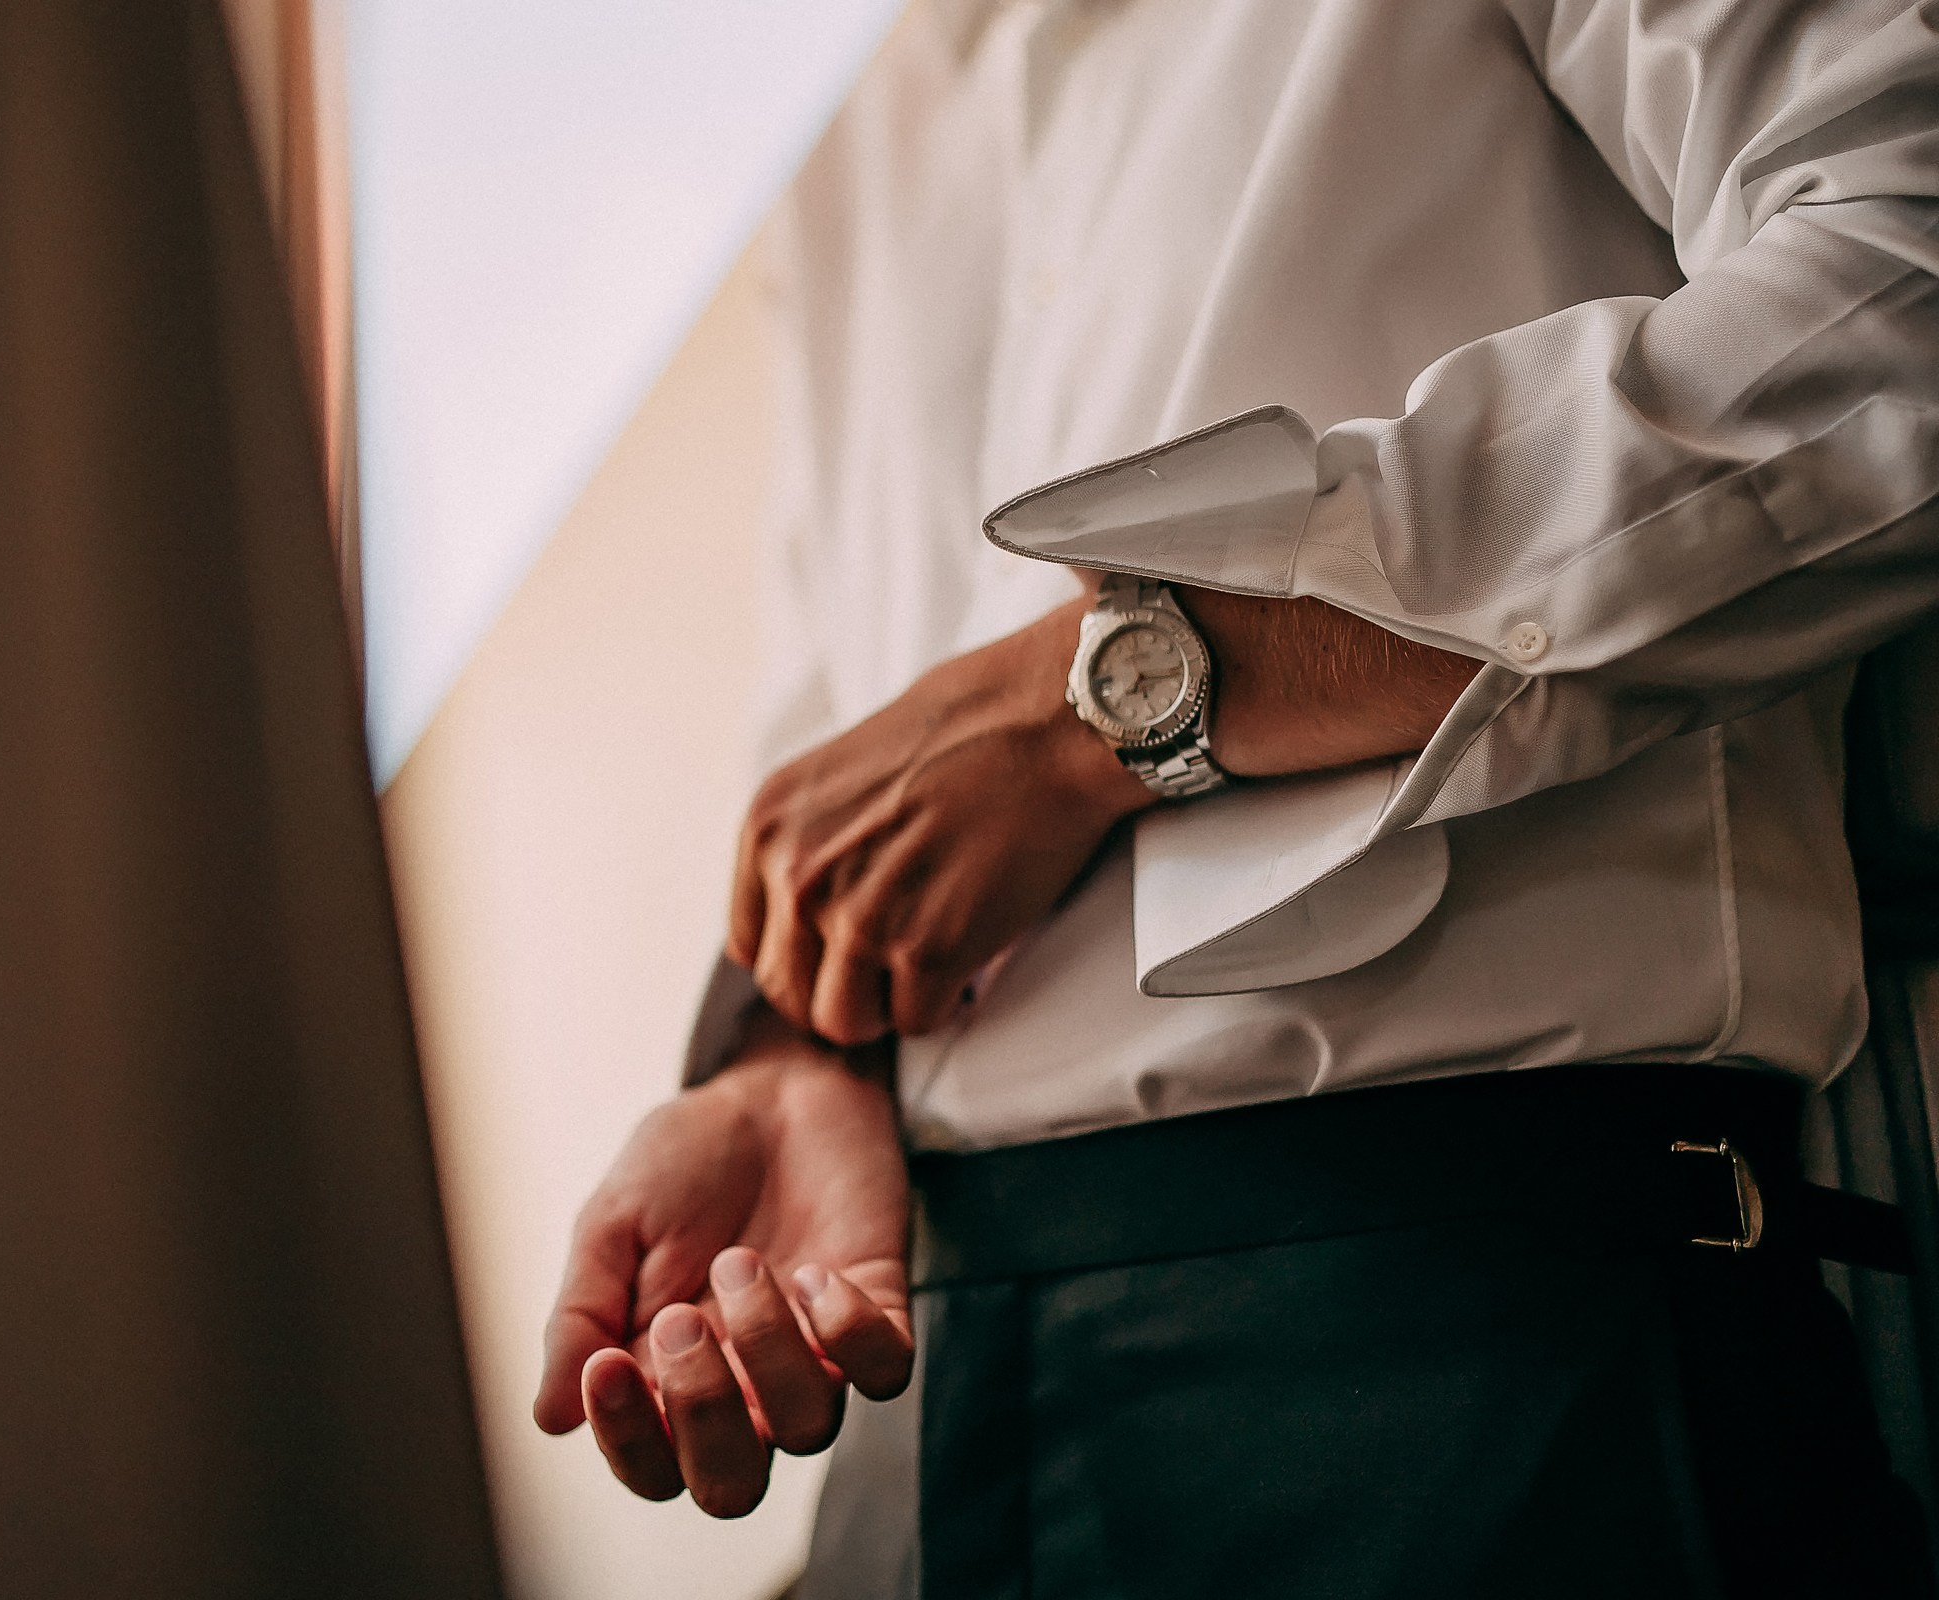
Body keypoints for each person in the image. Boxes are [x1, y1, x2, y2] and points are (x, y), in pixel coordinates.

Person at [534, 1, 1939, 1594]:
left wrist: (1118, 694)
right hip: (916, 1385)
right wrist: (798, 1051)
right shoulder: (836, 113)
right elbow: (859, 704)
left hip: (1484, 1348)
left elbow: (1905, 288)